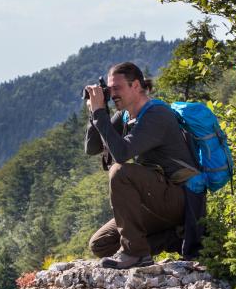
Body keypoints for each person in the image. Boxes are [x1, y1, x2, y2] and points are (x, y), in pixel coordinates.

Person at [84, 62, 201, 269]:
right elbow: (92, 148)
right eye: (110, 90)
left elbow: (121, 154)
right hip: (155, 199)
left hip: (180, 197)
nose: (113, 95)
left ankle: (136, 254)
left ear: (136, 86)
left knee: (120, 172)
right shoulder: (126, 115)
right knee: (101, 244)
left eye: (117, 88)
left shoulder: (156, 115)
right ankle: (175, 237)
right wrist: (94, 113)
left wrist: (101, 113)